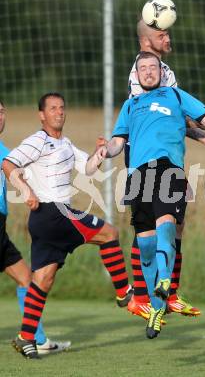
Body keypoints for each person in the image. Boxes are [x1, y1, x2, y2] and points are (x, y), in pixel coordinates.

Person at [91, 52, 205, 338]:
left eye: (153, 67)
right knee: (146, 245)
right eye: (143, 68)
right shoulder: (130, 105)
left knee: (166, 225)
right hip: (137, 175)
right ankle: (155, 309)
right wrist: (106, 152)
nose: (149, 72)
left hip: (167, 168)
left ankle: (164, 281)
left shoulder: (175, 96)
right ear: (137, 75)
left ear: (161, 72)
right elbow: (117, 142)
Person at [2, 93, 131, 358]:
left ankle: (26, 337)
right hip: (54, 212)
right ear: (42, 115)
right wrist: (25, 190)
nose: (59, 112)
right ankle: (123, 293)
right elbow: (8, 163)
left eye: (62, 108)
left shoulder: (67, 144)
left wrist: (100, 153)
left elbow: (88, 168)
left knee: (42, 280)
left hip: (45, 221)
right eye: (52, 108)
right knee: (109, 233)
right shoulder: (38, 141)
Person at [126, 19, 205, 321]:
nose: (168, 38)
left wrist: (204, 135)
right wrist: (203, 135)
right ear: (147, 41)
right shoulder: (143, 72)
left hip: (164, 155)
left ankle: (168, 292)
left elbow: (174, 116)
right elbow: (160, 117)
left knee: (174, 223)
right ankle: (142, 297)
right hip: (146, 154)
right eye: (162, 33)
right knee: (150, 225)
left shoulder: (164, 71)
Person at [0, 100, 71, 355]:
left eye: (1, 111)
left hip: (1, 229)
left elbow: (17, 169)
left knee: (26, 279)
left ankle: (37, 340)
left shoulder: (4, 149)